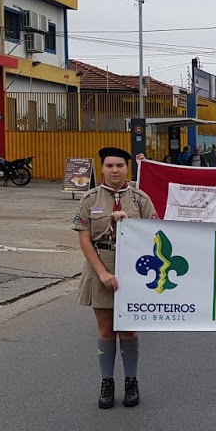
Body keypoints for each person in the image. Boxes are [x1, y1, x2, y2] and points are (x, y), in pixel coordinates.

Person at [71, 147, 158, 409]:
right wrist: (103, 273)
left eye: (120, 165)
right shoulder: (89, 199)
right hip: (102, 264)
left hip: (133, 270)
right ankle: (107, 382)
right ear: (102, 169)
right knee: (106, 330)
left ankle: (131, 381)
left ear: (127, 168)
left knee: (129, 330)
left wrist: (128, 223)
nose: (114, 170)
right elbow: (84, 239)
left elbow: (155, 235)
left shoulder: (141, 200)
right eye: (109, 166)